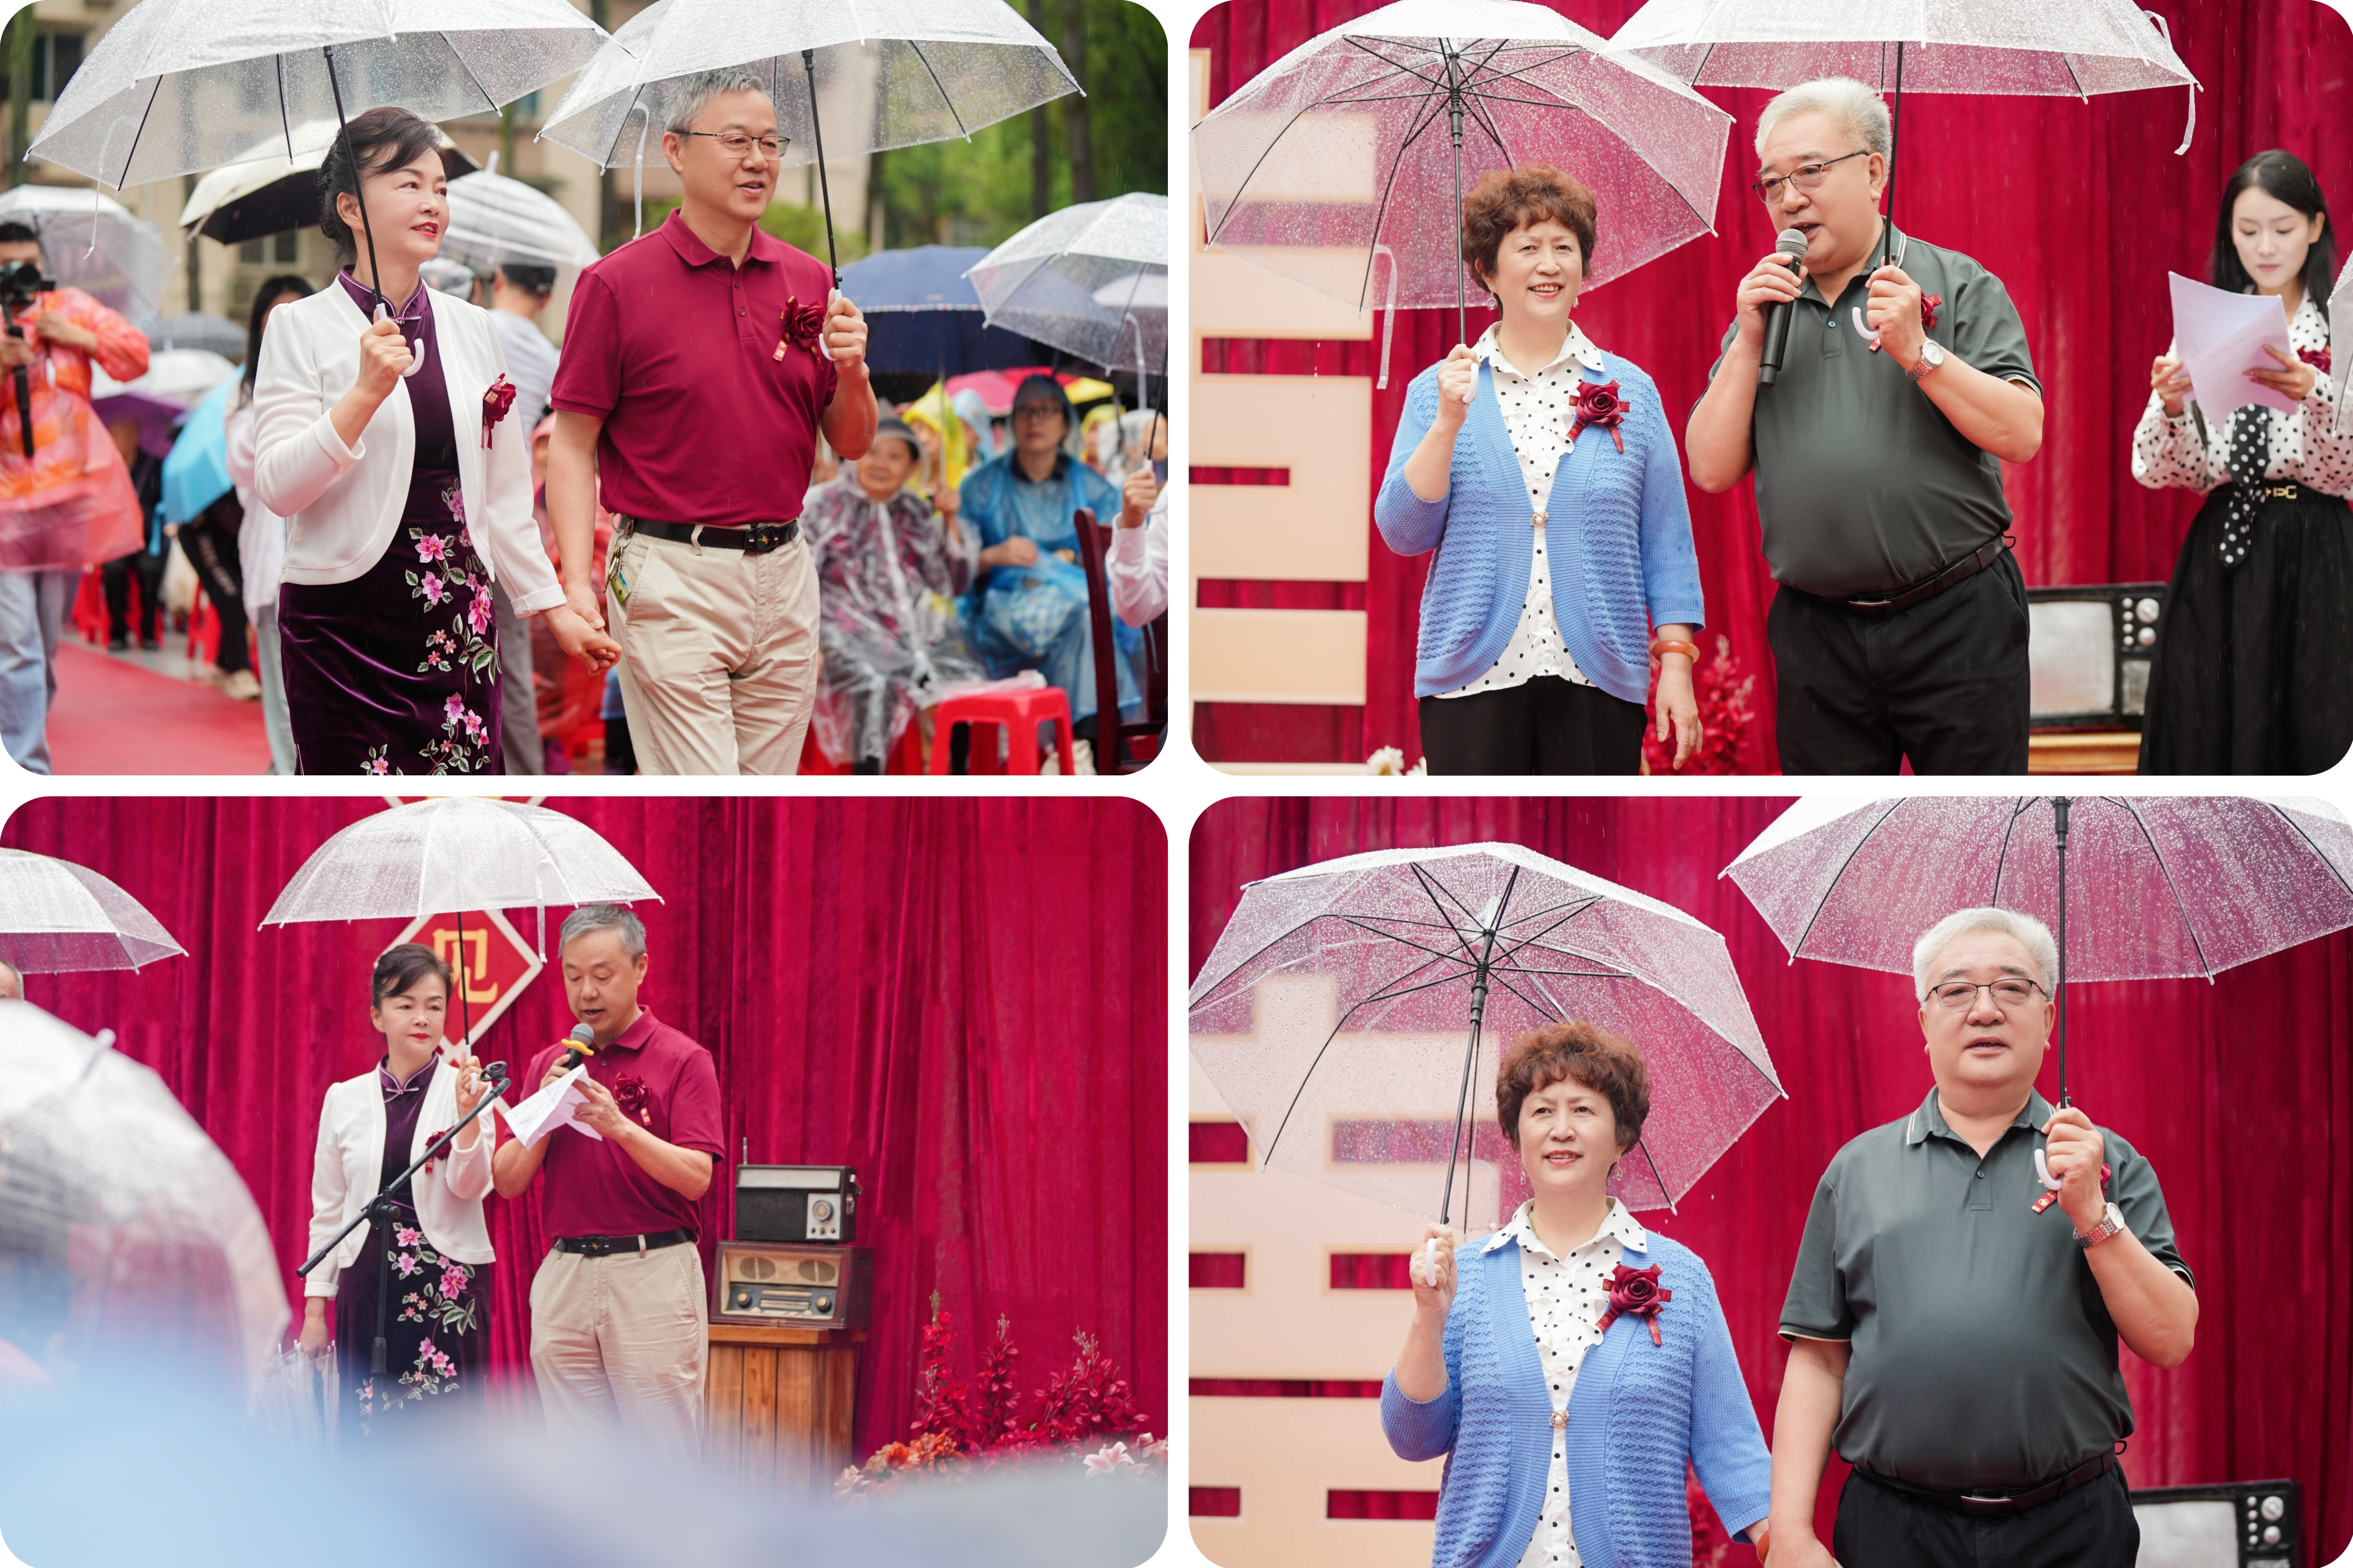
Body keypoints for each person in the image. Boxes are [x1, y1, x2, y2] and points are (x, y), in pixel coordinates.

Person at [1766, 907, 2196, 1568]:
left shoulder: (2106, 1162)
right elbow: (1820, 1359)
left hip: (2071, 1526)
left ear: (2049, 1021)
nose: (1985, 1010)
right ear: (1923, 1021)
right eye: (1957, 990)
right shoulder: (1856, 1170)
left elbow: (2169, 1341)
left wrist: (2091, 1210)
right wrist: (1792, 1533)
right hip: (1894, 1527)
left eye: (2013, 988)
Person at [1686, 79, 2045, 775]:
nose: (1789, 199)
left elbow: (2021, 434)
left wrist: (1919, 350)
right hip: (1817, 633)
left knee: (1971, 826)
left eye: (1811, 172)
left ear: (1874, 171)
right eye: (1771, 184)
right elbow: (1709, 468)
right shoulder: (1765, 307)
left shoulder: (1957, 281)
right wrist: (1749, 341)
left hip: (1956, 618)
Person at [253, 107, 613, 774]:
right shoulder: (298, 328)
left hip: (457, 619)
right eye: (408, 184)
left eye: (441, 188)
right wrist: (362, 394)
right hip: (341, 626)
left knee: (467, 811)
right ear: (351, 208)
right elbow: (278, 488)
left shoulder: (476, 328)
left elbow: (505, 501)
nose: (433, 204)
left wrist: (553, 609)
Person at [546, 69, 876, 776]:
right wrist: (577, 583)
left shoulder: (812, 280)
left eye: (770, 142)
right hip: (671, 573)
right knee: (704, 798)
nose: (758, 159)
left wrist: (854, 370)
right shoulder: (615, 284)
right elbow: (572, 446)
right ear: (674, 150)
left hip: (786, 572)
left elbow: (850, 442)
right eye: (735, 141)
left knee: (764, 809)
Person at [1384, 1022, 1772, 1568]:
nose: (1560, 1129)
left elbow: (1729, 1442)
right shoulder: (1464, 1276)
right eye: (1542, 1111)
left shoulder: (1682, 1278)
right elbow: (1412, 1437)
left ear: (1623, 1136)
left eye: (1583, 1110)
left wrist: (1784, 1542)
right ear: (1517, 1136)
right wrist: (1429, 1317)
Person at [1377, 164, 1704, 775]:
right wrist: (1449, 421)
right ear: (1486, 271)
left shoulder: (1631, 390)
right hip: (1468, 683)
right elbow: (1402, 532)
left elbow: (1666, 541)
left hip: (1600, 677)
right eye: (1527, 248)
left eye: (1564, 247)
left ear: (1583, 268)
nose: (1549, 263)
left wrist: (1677, 667)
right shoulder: (1436, 392)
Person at [2133, 150, 2351, 774]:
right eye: (2246, 229)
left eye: (2282, 229)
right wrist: (2171, 406)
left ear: (2314, 227)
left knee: (2315, 722)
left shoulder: (2341, 327)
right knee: (2209, 727)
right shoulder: (2209, 327)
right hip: (2224, 553)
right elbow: (2164, 470)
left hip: (2318, 551)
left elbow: (2345, 471)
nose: (2265, 247)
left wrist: (2312, 390)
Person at [491, 903, 722, 1454]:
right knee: (578, 1467)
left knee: (661, 1454)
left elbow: (697, 1179)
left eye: (602, 975)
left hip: (652, 1273)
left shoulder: (684, 1059)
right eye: (573, 977)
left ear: (640, 969)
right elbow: (507, 1181)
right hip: (566, 1273)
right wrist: (547, 1107)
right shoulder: (552, 1060)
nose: (586, 992)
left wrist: (619, 1127)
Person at [299, 943, 496, 1434]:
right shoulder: (343, 1099)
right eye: (405, 1004)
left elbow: (472, 1187)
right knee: (367, 1429)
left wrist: (469, 1117)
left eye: (434, 1005)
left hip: (448, 1285)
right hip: (368, 1283)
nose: (421, 1017)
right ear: (377, 1015)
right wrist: (316, 1306)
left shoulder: (468, 1089)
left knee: (446, 1437)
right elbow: (329, 1209)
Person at [0, 218, 149, 774]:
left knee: (43, 639)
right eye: (5, 269)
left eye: (25, 268)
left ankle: (20, 725)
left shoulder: (69, 307)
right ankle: (25, 765)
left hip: (67, 499)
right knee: (16, 641)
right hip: (5, 504)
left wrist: (76, 337)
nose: (16, 279)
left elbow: (134, 356)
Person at [956, 374, 1145, 763]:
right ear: (1012, 422)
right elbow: (954, 567)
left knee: (1087, 620)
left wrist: (1073, 560)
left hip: (1076, 607)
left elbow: (1119, 552)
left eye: (1047, 410)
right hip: (1004, 608)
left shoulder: (1092, 487)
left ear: (1065, 424)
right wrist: (995, 555)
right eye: (1024, 411)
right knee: (1088, 621)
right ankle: (1098, 746)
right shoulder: (981, 486)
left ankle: (1084, 741)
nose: (1034, 420)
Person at [802, 415, 983, 772]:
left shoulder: (914, 510)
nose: (881, 464)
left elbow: (949, 582)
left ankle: (961, 783)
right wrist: (812, 642)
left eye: (895, 456)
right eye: (872, 452)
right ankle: (869, 791)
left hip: (911, 638)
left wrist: (949, 522)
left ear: (913, 466)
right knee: (874, 683)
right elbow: (800, 580)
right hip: (842, 636)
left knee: (963, 679)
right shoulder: (822, 505)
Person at [225, 274, 314, 774]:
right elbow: (245, 461)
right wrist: (280, 395)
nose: (284, 328)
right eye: (273, 320)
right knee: (282, 695)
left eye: (294, 316)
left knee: (318, 693)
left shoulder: (337, 377)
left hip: (329, 561)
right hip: (271, 561)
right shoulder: (244, 392)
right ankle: (287, 775)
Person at [99, 418, 166, 652]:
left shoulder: (154, 465)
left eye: (125, 434)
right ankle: (118, 631)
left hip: (148, 539)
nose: (119, 440)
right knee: (112, 570)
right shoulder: (106, 467)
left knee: (150, 570)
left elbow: (164, 502)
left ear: (136, 437)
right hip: (118, 539)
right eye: (115, 434)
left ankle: (148, 631)